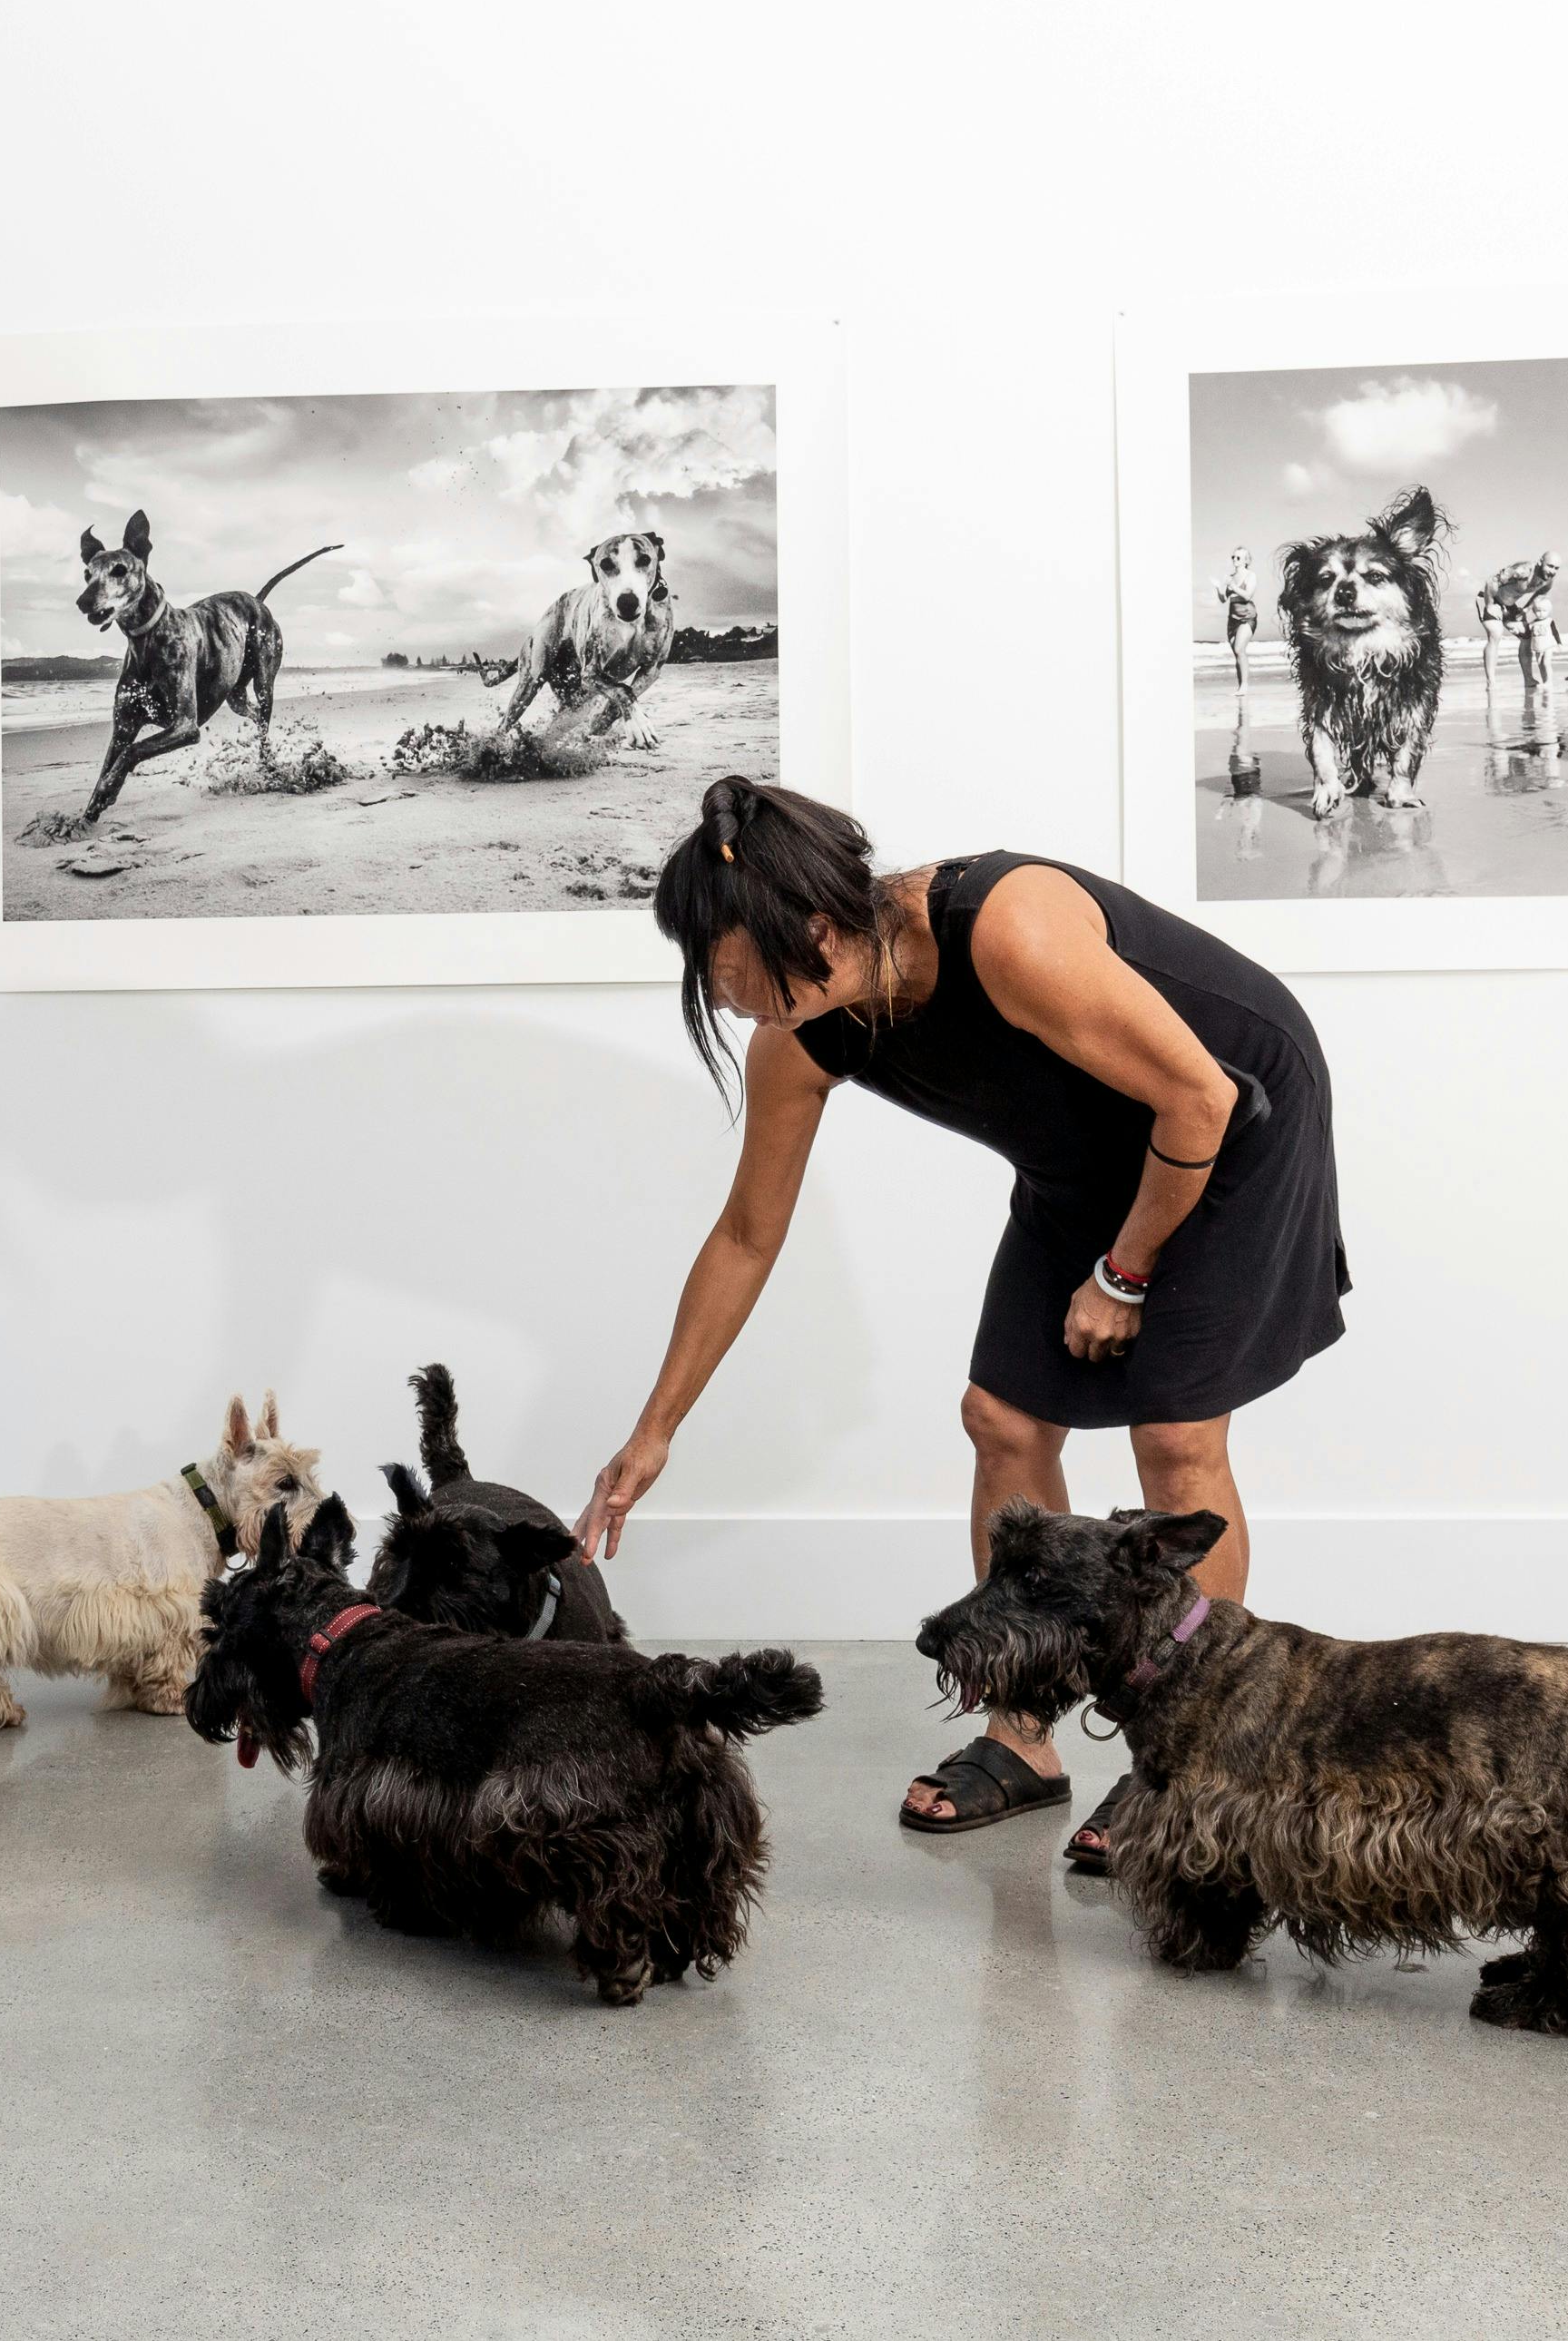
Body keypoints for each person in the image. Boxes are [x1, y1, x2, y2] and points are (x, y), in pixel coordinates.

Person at [573, 778, 1350, 1868]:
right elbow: (747, 1236)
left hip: (1230, 1125)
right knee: (1002, 1420)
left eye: (720, 956)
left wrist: (1122, 1276)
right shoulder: (800, 1034)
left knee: (1175, 1434)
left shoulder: (1008, 931)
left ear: (815, 928)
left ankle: (1193, 1767)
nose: (717, 987)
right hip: (1084, 1166)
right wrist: (655, 1429)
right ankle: (1023, 1735)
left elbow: (1198, 1102)